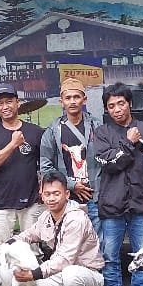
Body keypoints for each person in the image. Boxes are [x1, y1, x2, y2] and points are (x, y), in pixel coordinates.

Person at [93, 82, 143, 286]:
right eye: (111, 106)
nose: (117, 109)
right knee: (110, 255)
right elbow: (110, 164)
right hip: (112, 204)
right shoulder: (102, 133)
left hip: (141, 203)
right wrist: (129, 143)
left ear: (130, 103)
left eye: (121, 103)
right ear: (106, 109)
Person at [12, 171, 104, 286]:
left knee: (71, 273)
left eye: (56, 193)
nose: (51, 198)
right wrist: (8, 243)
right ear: (41, 195)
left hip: (88, 276)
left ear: (67, 194)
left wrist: (34, 274)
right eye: (47, 194)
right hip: (60, 275)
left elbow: (65, 259)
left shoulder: (76, 218)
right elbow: (30, 234)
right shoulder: (46, 216)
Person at [0, 83, 45, 286]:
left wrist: (43, 188)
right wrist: (13, 144)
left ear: (18, 103)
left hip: (31, 201)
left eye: (9, 101)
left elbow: (44, 164)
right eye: (0, 103)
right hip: (1, 202)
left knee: (32, 251)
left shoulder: (35, 132)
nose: (5, 106)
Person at [39, 77, 102, 234]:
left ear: (84, 99)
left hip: (95, 197)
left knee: (97, 243)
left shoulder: (97, 126)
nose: (72, 101)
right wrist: (72, 184)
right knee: (68, 243)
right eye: (68, 98)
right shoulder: (53, 131)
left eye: (76, 97)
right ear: (61, 102)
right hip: (66, 199)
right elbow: (45, 167)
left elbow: (106, 160)